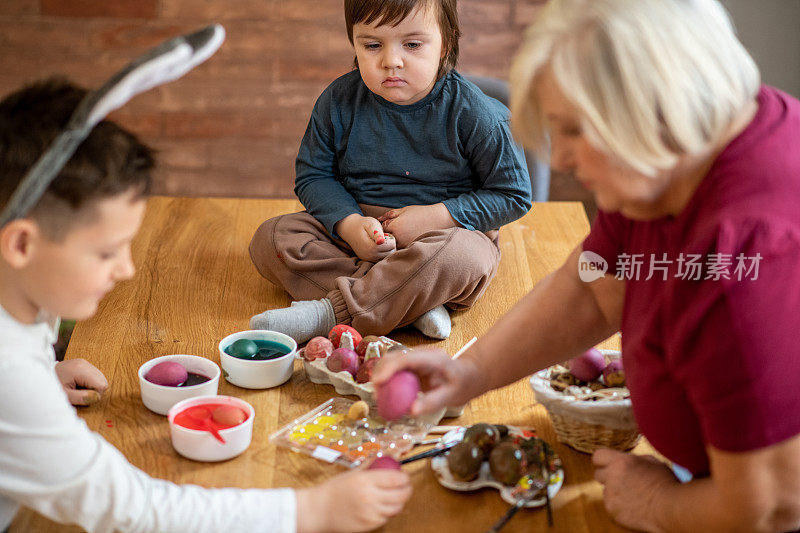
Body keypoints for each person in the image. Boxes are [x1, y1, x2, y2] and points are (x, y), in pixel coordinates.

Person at [374, 0, 800, 531]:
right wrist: (470, 373)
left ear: (654, 107)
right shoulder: (680, 158)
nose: (561, 160)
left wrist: (656, 506)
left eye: (574, 130)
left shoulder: (743, 264)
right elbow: (595, 282)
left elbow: (771, 504)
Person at [0, 79, 411, 533]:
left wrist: (40, 377)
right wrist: (310, 512)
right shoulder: (8, 376)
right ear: (21, 244)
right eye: (105, 252)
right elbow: (134, 509)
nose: (127, 269)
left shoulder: (19, 296)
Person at [248, 0, 532, 344]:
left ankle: (330, 314)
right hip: (358, 236)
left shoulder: (476, 114)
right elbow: (314, 177)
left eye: (412, 44)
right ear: (353, 41)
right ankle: (409, 302)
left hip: (444, 236)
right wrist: (350, 225)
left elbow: (513, 194)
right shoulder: (338, 101)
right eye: (372, 45)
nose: (391, 61)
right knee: (272, 238)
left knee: (462, 257)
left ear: (448, 41)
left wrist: (435, 217)